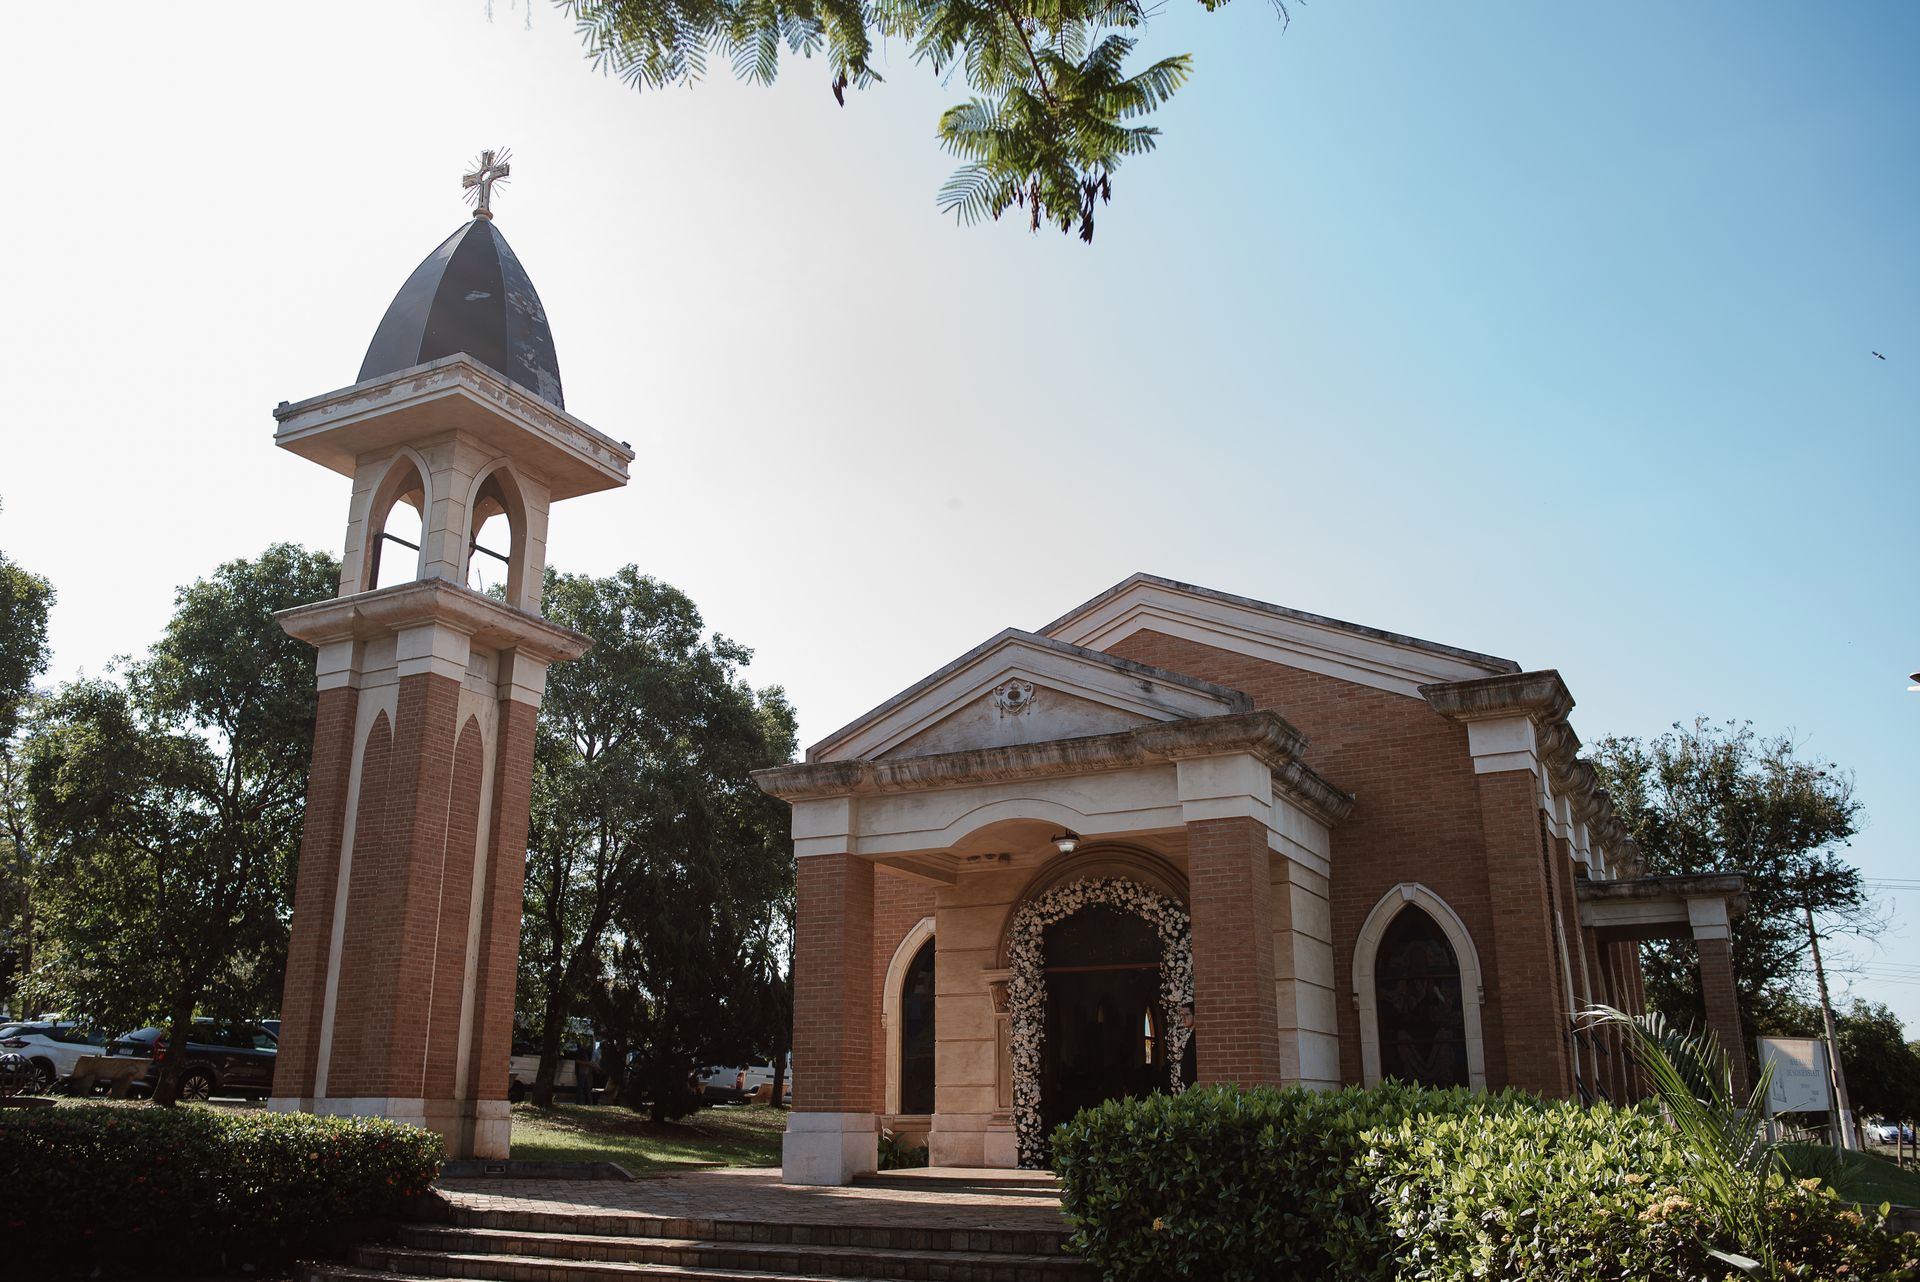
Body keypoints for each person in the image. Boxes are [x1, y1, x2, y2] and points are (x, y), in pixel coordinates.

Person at [573, 1038, 595, 1105]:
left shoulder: (584, 1051)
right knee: (581, 1088)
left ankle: (588, 1103)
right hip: (581, 1072)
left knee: (586, 1088)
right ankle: (579, 1102)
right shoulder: (580, 1051)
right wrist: (587, 1064)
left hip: (584, 1072)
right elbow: (577, 1061)